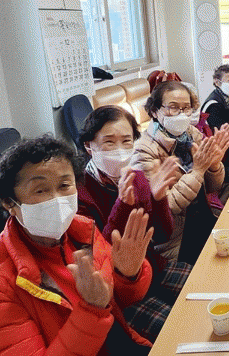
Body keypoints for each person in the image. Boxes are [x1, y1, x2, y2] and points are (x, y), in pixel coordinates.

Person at [0, 135, 154, 356]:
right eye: (41, 189)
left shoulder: (81, 232)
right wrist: (91, 311)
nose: (57, 199)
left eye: (65, 185)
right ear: (9, 202)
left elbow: (117, 304)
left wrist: (127, 275)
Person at [77, 105, 195, 342]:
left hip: (152, 266)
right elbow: (101, 257)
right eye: (109, 142)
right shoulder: (81, 194)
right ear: (89, 146)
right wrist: (122, 205)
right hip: (120, 291)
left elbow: (162, 235)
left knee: (207, 284)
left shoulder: (137, 176)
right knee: (181, 332)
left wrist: (158, 199)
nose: (120, 150)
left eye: (126, 141)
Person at [134, 81, 229, 263]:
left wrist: (214, 165)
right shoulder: (144, 150)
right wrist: (197, 171)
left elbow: (212, 187)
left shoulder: (190, 134)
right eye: (173, 107)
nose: (181, 114)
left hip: (202, 216)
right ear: (155, 111)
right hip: (177, 239)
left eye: (186, 108)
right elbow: (165, 207)